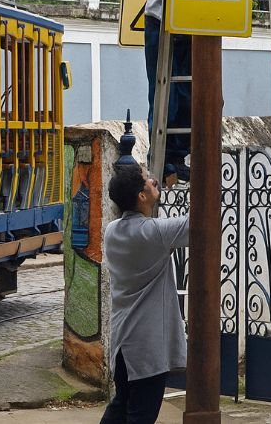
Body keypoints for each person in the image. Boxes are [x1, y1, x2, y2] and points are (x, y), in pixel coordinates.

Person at [101, 163, 190, 424]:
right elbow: (202, 219)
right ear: (141, 196)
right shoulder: (153, 234)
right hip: (147, 348)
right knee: (141, 415)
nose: (154, 181)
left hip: (122, 344)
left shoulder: (112, 231)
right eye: (148, 181)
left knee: (120, 406)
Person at [145, 0, 191, 182]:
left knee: (187, 98)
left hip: (191, 25)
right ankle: (161, 160)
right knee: (165, 98)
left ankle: (177, 158)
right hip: (161, 20)